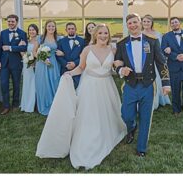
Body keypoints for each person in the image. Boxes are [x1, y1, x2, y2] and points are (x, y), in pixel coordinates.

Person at [36, 24, 126, 169]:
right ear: (95, 35)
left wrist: (121, 68)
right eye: (101, 33)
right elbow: (81, 67)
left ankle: (107, 132)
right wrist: (69, 73)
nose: (103, 36)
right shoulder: (87, 49)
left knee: (108, 113)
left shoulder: (113, 50)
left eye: (106, 33)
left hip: (107, 86)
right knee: (89, 115)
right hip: (89, 86)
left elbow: (115, 67)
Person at [112, 15, 171, 159]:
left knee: (146, 117)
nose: (132, 25)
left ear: (140, 23)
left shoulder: (152, 41)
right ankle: (131, 127)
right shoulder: (122, 43)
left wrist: (166, 83)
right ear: (127, 26)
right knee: (126, 114)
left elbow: (162, 63)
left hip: (148, 85)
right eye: (129, 23)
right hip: (130, 84)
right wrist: (120, 70)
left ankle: (141, 148)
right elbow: (117, 62)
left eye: (135, 22)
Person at [161, 16, 183, 114]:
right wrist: (175, 56)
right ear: (170, 25)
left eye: (176, 22)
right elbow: (163, 49)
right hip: (173, 66)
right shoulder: (166, 36)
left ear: (180, 23)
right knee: (175, 88)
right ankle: (176, 109)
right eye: (172, 23)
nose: (174, 24)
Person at [0, 13, 28, 114]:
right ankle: (6, 106)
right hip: (4, 63)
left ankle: (15, 104)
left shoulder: (22, 33)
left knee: (16, 84)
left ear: (17, 22)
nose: (10, 23)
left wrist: (11, 48)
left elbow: (24, 48)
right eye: (9, 21)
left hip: (16, 63)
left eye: (12, 21)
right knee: (4, 84)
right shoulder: (3, 33)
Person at [141, 15, 171, 110]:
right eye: (144, 21)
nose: (146, 23)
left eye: (148, 21)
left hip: (155, 60)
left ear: (151, 23)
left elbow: (160, 48)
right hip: (144, 61)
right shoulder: (140, 34)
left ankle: (158, 99)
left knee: (157, 79)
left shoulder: (157, 34)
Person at [36, 20, 61, 116]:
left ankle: (54, 106)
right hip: (42, 64)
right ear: (46, 27)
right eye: (49, 26)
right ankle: (44, 105)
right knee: (43, 84)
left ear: (55, 28)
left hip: (53, 63)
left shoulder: (58, 38)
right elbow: (34, 51)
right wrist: (42, 58)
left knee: (54, 83)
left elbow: (61, 49)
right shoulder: (40, 38)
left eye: (53, 26)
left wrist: (62, 53)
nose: (51, 28)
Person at [55, 22, 84, 90]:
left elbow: (84, 55)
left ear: (76, 29)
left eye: (72, 29)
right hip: (65, 69)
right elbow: (58, 55)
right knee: (65, 89)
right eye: (69, 29)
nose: (71, 30)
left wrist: (75, 63)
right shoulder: (61, 41)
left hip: (78, 68)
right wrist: (65, 64)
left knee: (78, 88)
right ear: (66, 30)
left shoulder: (82, 41)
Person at [20, 23, 40, 113]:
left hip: (35, 65)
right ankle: (26, 103)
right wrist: (22, 49)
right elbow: (23, 53)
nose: (31, 31)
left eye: (33, 30)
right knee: (27, 83)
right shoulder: (26, 41)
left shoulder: (38, 41)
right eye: (30, 30)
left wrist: (34, 62)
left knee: (34, 84)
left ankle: (34, 104)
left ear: (36, 31)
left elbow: (38, 53)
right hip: (27, 64)